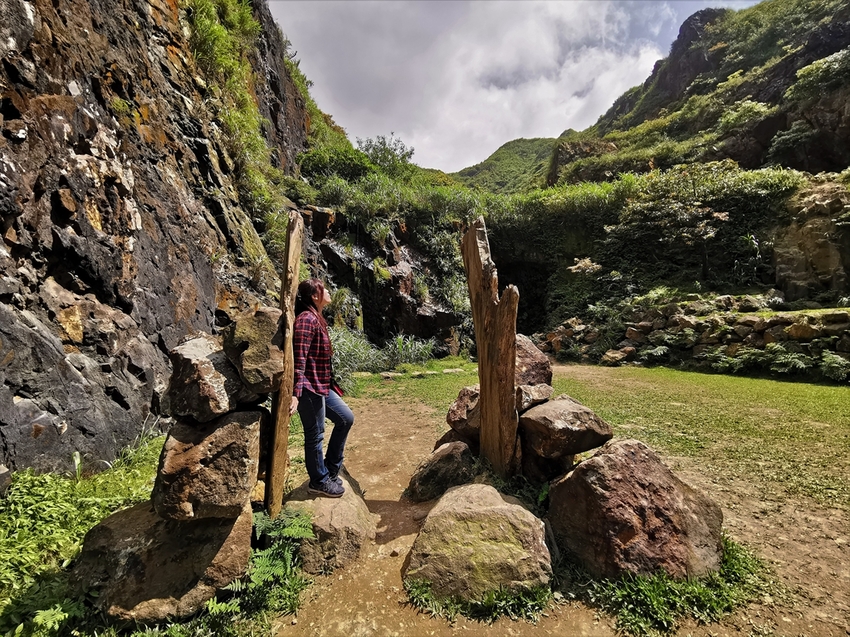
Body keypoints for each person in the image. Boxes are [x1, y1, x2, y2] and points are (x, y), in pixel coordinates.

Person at [289, 279, 355, 498]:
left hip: (322, 385)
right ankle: (318, 481)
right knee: (315, 435)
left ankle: (331, 469)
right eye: (323, 289)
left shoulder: (316, 317)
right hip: (309, 388)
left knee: (345, 418)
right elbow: (299, 358)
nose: (328, 291)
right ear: (314, 296)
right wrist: (296, 393)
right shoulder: (306, 319)